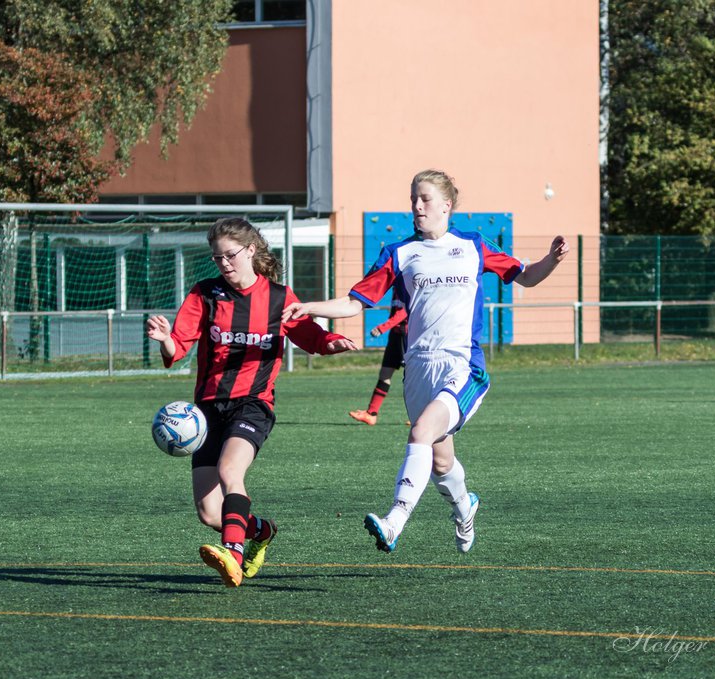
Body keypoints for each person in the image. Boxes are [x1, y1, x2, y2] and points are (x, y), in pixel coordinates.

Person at [285, 169, 569, 554]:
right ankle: (465, 507)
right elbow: (354, 302)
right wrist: (309, 307)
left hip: (463, 367)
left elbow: (527, 276)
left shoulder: (473, 245)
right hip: (418, 368)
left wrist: (551, 260)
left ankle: (394, 521)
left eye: (425, 199)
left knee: (420, 432)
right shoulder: (399, 253)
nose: (417, 206)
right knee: (439, 459)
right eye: (413, 199)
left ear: (447, 205)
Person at [146, 217, 357, 587]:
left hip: (254, 404)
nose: (224, 264)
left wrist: (330, 343)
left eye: (230, 255)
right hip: (208, 410)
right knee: (210, 512)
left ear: (251, 250)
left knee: (231, 472)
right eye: (217, 258)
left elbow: (309, 334)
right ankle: (260, 531)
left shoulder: (279, 298)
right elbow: (178, 347)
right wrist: (165, 339)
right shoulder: (204, 294)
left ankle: (234, 554)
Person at [349, 300, 408, 425]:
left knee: (412, 376)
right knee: (385, 373)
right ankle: (371, 414)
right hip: (396, 335)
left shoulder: (407, 283)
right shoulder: (397, 286)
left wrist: (382, 328)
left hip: (406, 334)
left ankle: (419, 416)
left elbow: (404, 312)